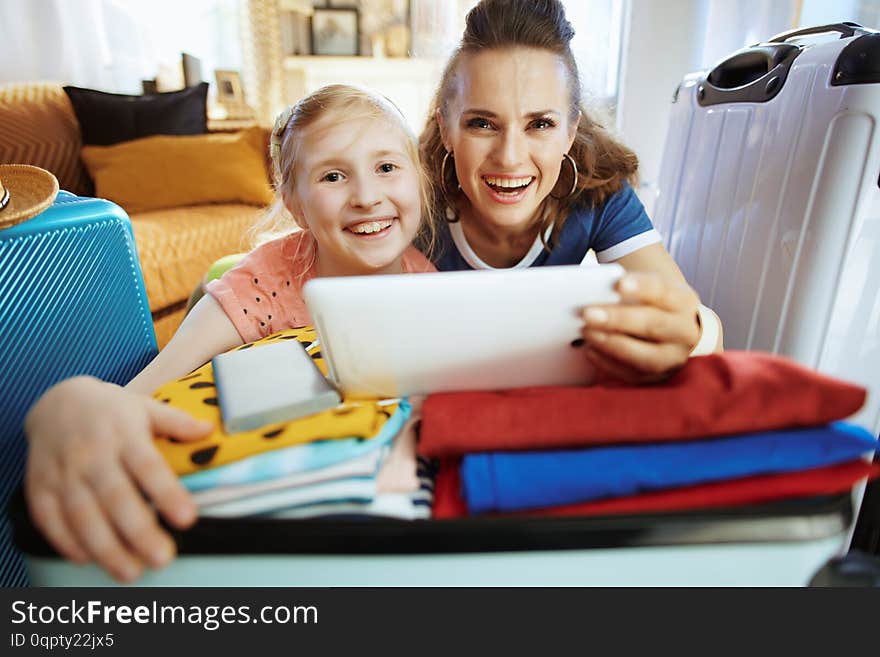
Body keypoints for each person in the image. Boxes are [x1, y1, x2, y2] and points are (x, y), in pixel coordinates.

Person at [23, 84, 436, 582]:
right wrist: (71, 402)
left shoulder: (426, 283)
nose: (368, 197)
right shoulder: (260, 285)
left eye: (387, 167)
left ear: (419, 179)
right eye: (333, 175)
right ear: (296, 204)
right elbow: (147, 387)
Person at [418, 0, 723, 384]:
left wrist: (691, 331)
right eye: (482, 123)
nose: (510, 158)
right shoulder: (409, 196)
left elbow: (704, 334)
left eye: (541, 124)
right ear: (445, 128)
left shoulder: (599, 190)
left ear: (571, 131)